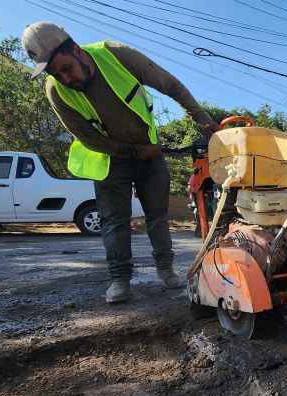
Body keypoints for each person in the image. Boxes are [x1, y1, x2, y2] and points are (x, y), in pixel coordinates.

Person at [22, 22, 218, 303]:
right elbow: (88, 138)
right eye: (56, 73)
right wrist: (136, 152)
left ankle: (166, 269)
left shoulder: (115, 55)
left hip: (150, 153)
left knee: (158, 217)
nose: (66, 78)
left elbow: (170, 84)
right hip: (110, 158)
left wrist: (203, 120)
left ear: (76, 50)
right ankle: (120, 280)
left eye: (66, 68)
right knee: (114, 221)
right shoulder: (55, 90)